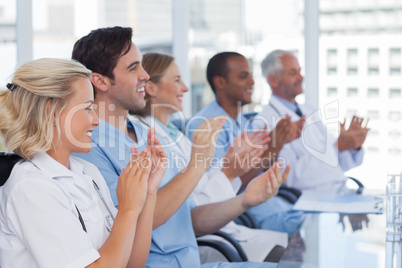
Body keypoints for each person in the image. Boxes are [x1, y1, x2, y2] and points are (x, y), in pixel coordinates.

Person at [72, 26, 288, 267]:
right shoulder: (89, 147)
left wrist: (245, 200)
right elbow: (130, 219)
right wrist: (197, 165)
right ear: (100, 80)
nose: (145, 75)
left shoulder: (147, 134)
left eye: (142, 65)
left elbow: (191, 220)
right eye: (133, 68)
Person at [0, 58, 164, 267]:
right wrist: (128, 209)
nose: (96, 120)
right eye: (87, 108)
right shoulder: (30, 187)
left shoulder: (88, 172)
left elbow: (133, 262)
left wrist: (148, 191)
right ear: (51, 111)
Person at [130, 52, 289, 262]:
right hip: (201, 240)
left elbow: (201, 187)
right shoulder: (149, 141)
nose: (185, 88)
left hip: (217, 227)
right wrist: (228, 172)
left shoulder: (175, 136)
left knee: (293, 250)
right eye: (177, 80)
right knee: (288, 255)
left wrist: (231, 168)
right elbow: (190, 205)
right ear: (151, 88)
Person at [186, 52, 304, 234]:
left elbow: (260, 167)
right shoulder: (205, 125)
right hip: (243, 212)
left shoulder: (242, 121)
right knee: (310, 228)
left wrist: (278, 144)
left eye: (250, 75)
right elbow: (222, 187)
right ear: (220, 82)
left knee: (314, 220)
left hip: (268, 200)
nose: (252, 82)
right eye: (243, 76)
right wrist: (272, 148)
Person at [256, 49, 370, 191]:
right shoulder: (265, 122)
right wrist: (338, 147)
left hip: (337, 193)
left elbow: (339, 164)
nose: (301, 77)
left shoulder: (309, 110)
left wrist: (352, 145)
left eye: (299, 71)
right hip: (309, 201)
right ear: (273, 80)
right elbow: (290, 176)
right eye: (293, 73)